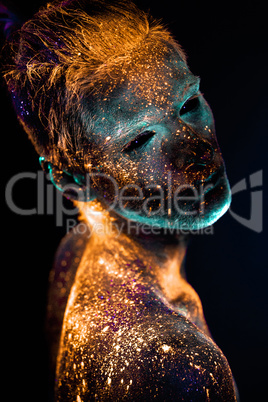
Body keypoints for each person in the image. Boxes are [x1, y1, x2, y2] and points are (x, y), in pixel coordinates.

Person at [2, 0, 238, 400]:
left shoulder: (75, 252)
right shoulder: (175, 364)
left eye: (189, 105)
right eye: (141, 140)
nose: (197, 151)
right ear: (72, 181)